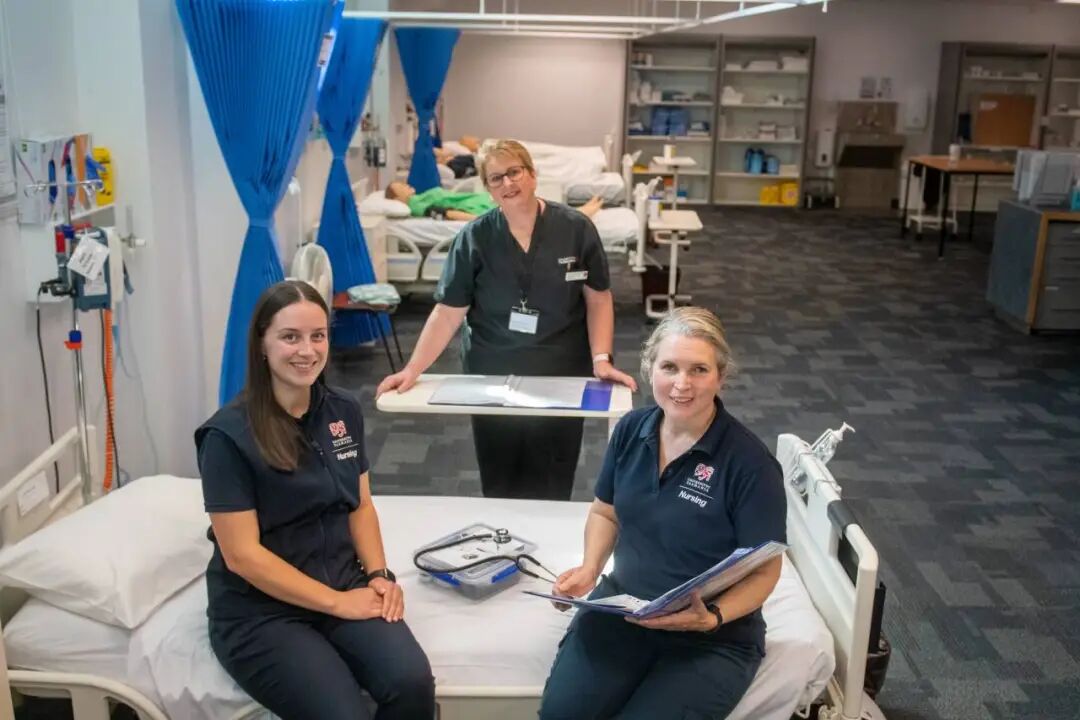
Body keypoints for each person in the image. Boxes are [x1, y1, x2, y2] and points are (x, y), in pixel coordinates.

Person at [195, 280, 434, 720]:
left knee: (411, 683)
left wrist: (378, 575)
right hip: (262, 611)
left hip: (342, 581)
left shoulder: (342, 411)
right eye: (290, 337)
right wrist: (337, 603)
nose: (307, 350)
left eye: (317, 336)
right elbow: (242, 556)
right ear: (262, 344)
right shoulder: (227, 437)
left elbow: (360, 505)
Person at [539, 307, 787, 720]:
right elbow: (605, 512)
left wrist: (713, 618)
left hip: (712, 636)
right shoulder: (630, 430)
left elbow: (766, 569)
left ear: (721, 377)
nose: (682, 384)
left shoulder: (750, 465)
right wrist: (589, 568)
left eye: (699, 370)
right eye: (669, 367)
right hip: (625, 609)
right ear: (650, 369)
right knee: (561, 716)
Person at [377, 139, 636, 501]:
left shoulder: (576, 229)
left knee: (553, 479)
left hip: (560, 371)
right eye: (496, 178)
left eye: (514, 172)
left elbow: (598, 298)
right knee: (500, 481)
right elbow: (448, 313)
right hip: (493, 374)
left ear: (532, 174)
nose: (508, 183)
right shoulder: (475, 238)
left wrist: (601, 359)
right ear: (488, 187)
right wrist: (413, 369)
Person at [385, 180, 604, 222]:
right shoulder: (416, 205)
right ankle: (578, 214)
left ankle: (575, 211)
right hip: (480, 209)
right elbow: (446, 213)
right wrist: (477, 219)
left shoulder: (419, 197)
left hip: (482, 203)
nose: (405, 185)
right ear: (397, 198)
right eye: (399, 186)